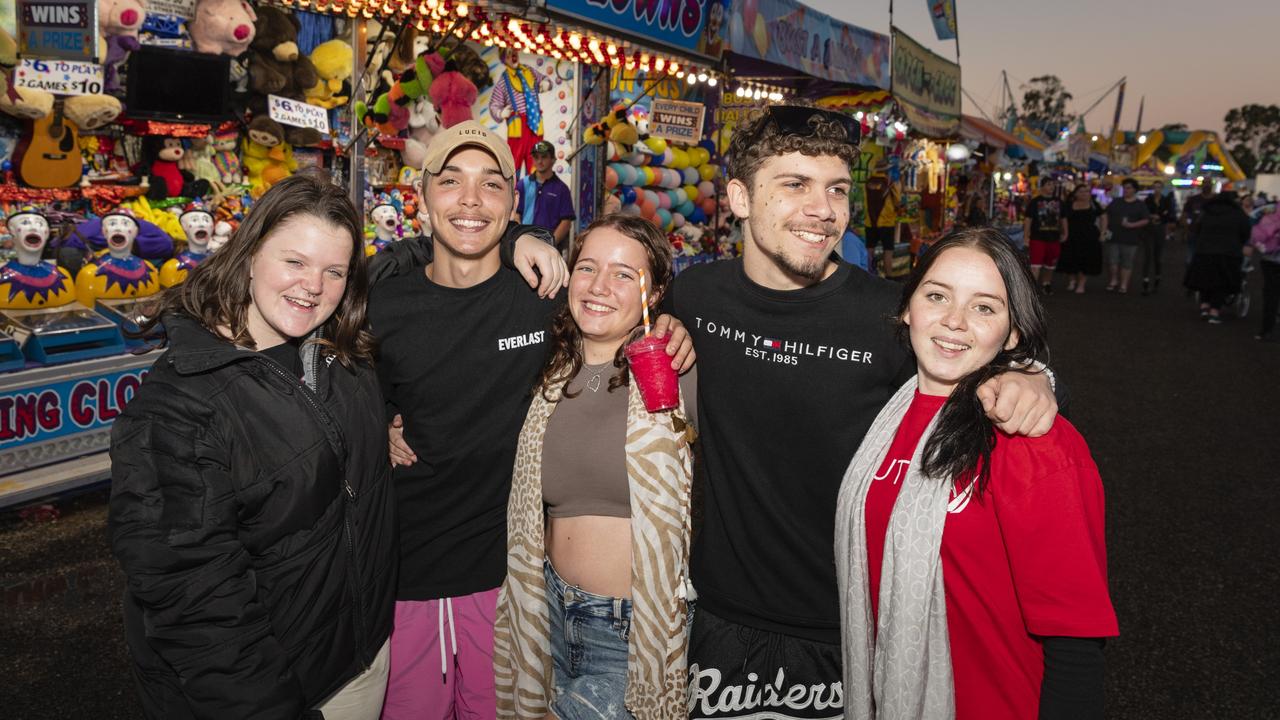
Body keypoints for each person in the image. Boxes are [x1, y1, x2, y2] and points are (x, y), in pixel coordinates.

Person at [666, 105, 1059, 720]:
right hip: (720, 617)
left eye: (837, 189)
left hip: (850, 627)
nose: (823, 210)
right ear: (740, 198)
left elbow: (974, 357)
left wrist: (1033, 376)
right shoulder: (694, 296)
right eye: (794, 185)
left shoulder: (888, 316)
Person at [370, 122, 693, 720]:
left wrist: (668, 326)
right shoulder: (379, 303)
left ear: (511, 202)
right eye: (451, 183)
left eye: (491, 185)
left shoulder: (542, 298)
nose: (470, 201)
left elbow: (620, 307)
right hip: (407, 577)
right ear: (421, 195)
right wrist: (375, 428)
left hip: (511, 589)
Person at [108, 174, 397, 720]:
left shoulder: (342, 354)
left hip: (360, 662)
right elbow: (195, 606)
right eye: (295, 262)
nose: (313, 285)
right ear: (248, 256)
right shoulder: (179, 405)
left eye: (334, 271)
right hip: (272, 694)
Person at [835, 227, 1118, 720]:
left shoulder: (1033, 441)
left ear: (1012, 333)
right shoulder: (884, 419)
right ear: (908, 308)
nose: (954, 321)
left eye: (984, 307)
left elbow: (1076, 640)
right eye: (937, 295)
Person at [493, 214, 698, 719]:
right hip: (543, 610)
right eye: (587, 267)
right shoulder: (550, 369)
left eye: (624, 274)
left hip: (627, 627)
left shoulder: (675, 369)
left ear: (654, 294)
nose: (600, 286)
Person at [1185, 189, 1251, 324]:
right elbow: (1245, 232)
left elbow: (1197, 229)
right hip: (1228, 253)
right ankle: (1214, 312)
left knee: (1205, 280)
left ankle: (1204, 307)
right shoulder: (1238, 214)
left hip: (1204, 251)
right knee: (1222, 283)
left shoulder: (1207, 212)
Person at [516, 139, 576, 251]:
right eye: (536, 157)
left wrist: (549, 244)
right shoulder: (522, 184)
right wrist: (521, 239)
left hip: (550, 250)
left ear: (553, 159)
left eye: (544, 157)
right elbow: (516, 215)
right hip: (524, 247)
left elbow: (566, 222)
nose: (539, 161)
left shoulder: (562, 189)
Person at [1103, 178, 1151, 293]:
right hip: (1113, 236)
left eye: (1128, 188)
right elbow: (1105, 214)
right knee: (1112, 260)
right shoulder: (1116, 202)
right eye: (1124, 188)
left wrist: (1132, 225)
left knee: (1127, 262)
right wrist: (1104, 230)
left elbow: (1146, 220)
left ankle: (1124, 284)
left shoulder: (1140, 205)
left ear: (1134, 190)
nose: (1125, 190)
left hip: (1130, 238)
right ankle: (1114, 279)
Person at [1059, 183, 1106, 294]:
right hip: (1072, 235)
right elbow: (1063, 219)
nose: (1084, 194)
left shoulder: (1094, 204)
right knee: (1070, 259)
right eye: (1081, 191)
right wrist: (1065, 233)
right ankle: (1072, 281)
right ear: (1075, 194)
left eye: (1086, 191)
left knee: (1086, 261)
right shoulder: (1069, 204)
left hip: (1089, 236)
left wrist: (1103, 232)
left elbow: (1104, 216)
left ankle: (1081, 284)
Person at [1022, 176, 1064, 294]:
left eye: (1052, 184)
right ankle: (1032, 289)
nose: (1052, 187)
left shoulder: (1059, 202)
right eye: (1048, 184)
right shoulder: (1035, 202)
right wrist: (1026, 235)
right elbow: (1028, 219)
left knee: (1050, 264)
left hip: (1054, 237)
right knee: (1035, 264)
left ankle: (1046, 283)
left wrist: (1065, 231)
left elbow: (1063, 218)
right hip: (1037, 237)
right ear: (1042, 187)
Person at [862, 163, 899, 277]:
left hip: (870, 222)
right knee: (888, 251)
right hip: (886, 222)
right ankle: (889, 277)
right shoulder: (889, 183)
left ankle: (867, 274)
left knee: (869, 249)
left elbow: (864, 200)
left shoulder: (868, 182)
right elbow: (897, 200)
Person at [1143, 179, 1178, 294]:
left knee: (1158, 255)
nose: (1156, 189)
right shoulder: (1148, 199)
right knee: (1147, 254)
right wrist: (1151, 216)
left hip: (1160, 229)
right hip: (1149, 229)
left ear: (1162, 188)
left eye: (1158, 187)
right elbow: (1144, 212)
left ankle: (1157, 278)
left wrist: (1162, 218)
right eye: (1155, 187)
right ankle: (1146, 280)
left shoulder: (1166, 200)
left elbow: (1171, 215)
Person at [1250, 205, 1280, 341]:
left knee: (1270, 294)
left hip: (1269, 258)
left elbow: (1253, 216)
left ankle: (1266, 329)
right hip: (1271, 259)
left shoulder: (1273, 209)